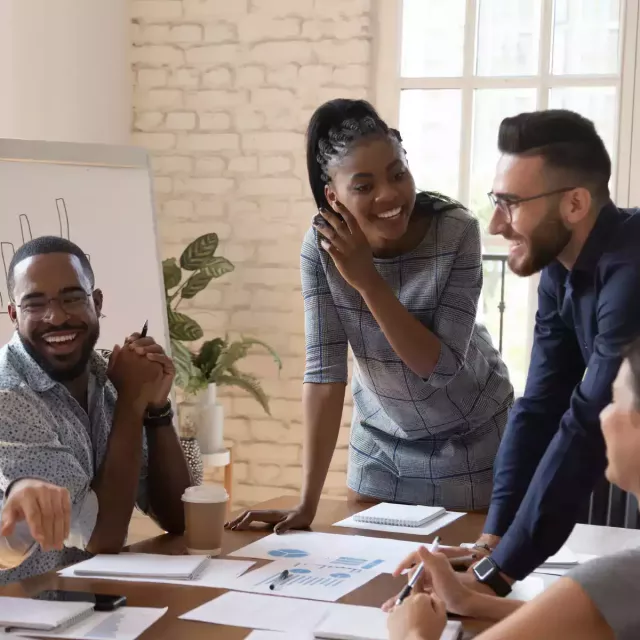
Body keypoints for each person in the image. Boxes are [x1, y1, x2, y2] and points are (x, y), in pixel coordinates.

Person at [227, 99, 513, 532]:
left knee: (460, 587)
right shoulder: (320, 249)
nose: (389, 195)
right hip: (381, 445)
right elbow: (324, 374)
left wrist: (367, 280)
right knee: (368, 586)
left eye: (398, 174)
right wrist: (306, 505)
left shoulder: (456, 231)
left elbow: (438, 367)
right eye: (363, 186)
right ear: (333, 196)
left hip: (473, 440)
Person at [429, 109, 640, 595]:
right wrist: (493, 543)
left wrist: (497, 575)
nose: (497, 223)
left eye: (511, 202)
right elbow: (542, 405)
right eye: (495, 201)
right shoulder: (560, 271)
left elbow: (587, 421)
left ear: (575, 203)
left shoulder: (631, 270)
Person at [385, 334, 640, 640]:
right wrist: (471, 601)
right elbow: (587, 620)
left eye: (613, 400)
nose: (601, 415)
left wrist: (413, 633)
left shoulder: (618, 578)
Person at [0, 236, 192, 583]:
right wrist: (133, 402)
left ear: (97, 301)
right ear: (14, 315)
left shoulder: (107, 375)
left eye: (72, 298)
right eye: (35, 304)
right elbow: (101, 537)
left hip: (89, 603)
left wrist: (157, 408)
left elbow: (181, 518)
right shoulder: (7, 398)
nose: (56, 317)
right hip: (23, 617)